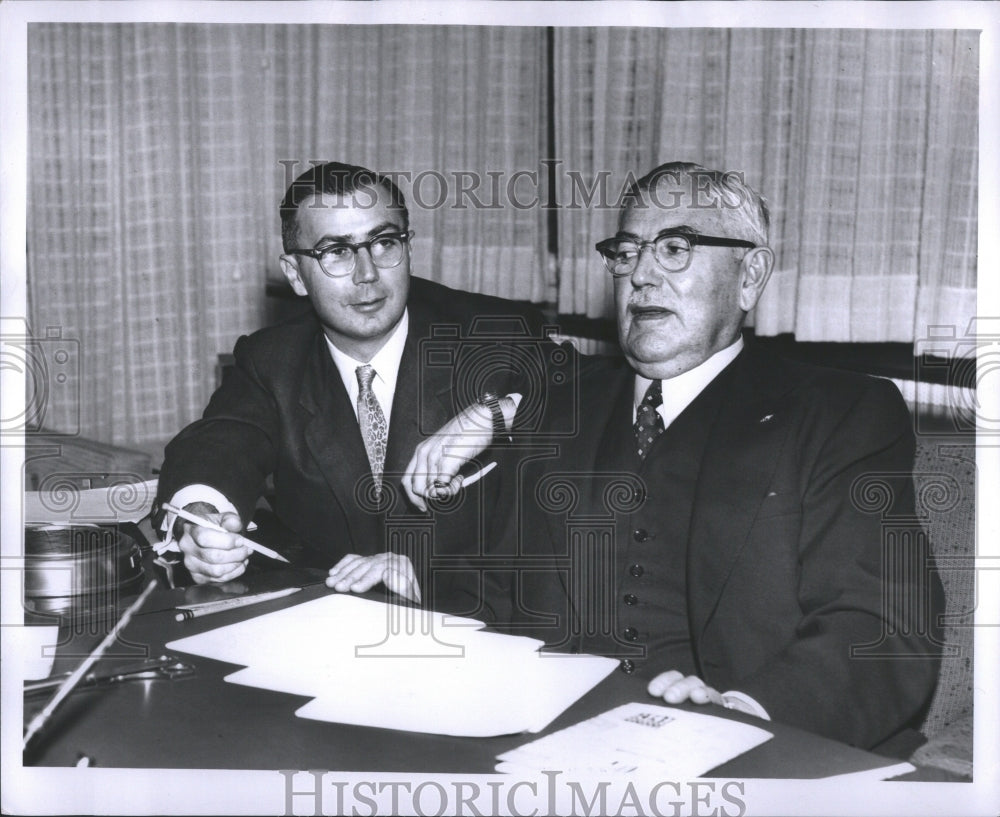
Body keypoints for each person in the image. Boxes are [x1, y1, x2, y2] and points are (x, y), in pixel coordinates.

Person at [405, 162, 944, 749]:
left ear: (750, 275)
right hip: (544, 747)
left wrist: (744, 713)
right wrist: (417, 584)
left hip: (742, 755)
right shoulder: (560, 405)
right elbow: (491, 587)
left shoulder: (838, 413)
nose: (640, 275)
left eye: (675, 248)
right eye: (627, 251)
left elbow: (884, 625)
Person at [154, 161, 546, 614]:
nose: (367, 274)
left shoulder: (496, 335)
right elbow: (218, 444)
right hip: (327, 628)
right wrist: (202, 520)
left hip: (476, 628)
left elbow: (594, 401)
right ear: (296, 275)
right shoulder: (271, 360)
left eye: (383, 243)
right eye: (336, 251)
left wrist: (498, 413)